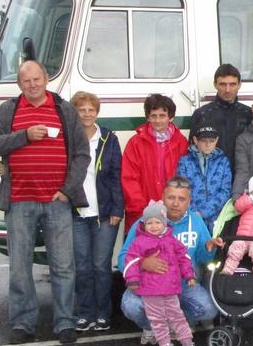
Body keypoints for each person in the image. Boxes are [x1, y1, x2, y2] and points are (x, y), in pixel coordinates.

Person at [0, 60, 89, 345]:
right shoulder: (8, 110)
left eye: (37, 79)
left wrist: (68, 190)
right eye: (26, 80)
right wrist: (24, 136)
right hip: (19, 201)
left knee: (63, 265)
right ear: (20, 84)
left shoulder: (63, 109)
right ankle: (22, 323)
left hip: (57, 201)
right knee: (19, 266)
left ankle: (65, 322)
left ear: (46, 79)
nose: (32, 84)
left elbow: (81, 154)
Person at [118, 177, 218, 345]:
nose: (175, 203)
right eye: (171, 197)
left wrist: (210, 248)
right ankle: (152, 326)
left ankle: (172, 322)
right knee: (130, 305)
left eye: (181, 199)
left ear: (189, 201)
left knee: (209, 310)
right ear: (163, 197)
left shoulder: (196, 222)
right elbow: (123, 259)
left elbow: (204, 259)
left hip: (182, 287)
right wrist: (142, 263)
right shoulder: (146, 222)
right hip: (148, 286)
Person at [69, 91, 123, 333]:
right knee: (82, 266)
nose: (87, 114)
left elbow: (115, 176)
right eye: (82, 110)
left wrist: (117, 208)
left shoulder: (108, 138)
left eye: (91, 110)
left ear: (97, 112)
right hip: (77, 212)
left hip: (105, 213)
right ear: (76, 113)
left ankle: (103, 313)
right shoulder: (69, 139)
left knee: (101, 266)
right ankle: (84, 312)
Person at [123, 201, 199, 346]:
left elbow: (184, 258)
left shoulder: (172, 241)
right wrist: (133, 279)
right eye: (149, 222)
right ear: (144, 224)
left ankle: (187, 342)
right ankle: (164, 345)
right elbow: (131, 262)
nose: (154, 226)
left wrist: (189, 274)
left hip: (170, 287)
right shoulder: (139, 242)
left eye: (158, 222)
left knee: (177, 315)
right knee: (157, 318)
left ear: (165, 223)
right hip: (150, 289)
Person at [121, 93, 188, 229]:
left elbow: (186, 176)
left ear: (171, 117)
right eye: (153, 116)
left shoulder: (181, 142)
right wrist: (143, 208)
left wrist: (177, 204)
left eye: (162, 116)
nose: (158, 120)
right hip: (143, 212)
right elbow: (129, 178)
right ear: (148, 117)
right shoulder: (135, 143)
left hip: (173, 211)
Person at [190, 63, 253, 170]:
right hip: (211, 179)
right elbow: (192, 152)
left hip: (241, 178)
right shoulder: (201, 114)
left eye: (232, 84)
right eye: (223, 84)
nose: (227, 89)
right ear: (215, 84)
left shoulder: (248, 114)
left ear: (239, 84)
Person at [176, 124, 232, 231]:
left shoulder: (223, 161)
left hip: (217, 217)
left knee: (215, 245)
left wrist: (204, 212)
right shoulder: (185, 162)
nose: (207, 144)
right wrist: (193, 213)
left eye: (211, 141)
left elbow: (225, 191)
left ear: (217, 140)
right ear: (195, 140)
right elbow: (182, 190)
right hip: (191, 216)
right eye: (203, 140)